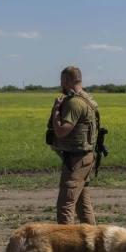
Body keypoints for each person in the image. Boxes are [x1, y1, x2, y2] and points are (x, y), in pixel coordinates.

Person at [48, 66, 98, 225]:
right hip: (85, 158)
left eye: (62, 80)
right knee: (83, 206)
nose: (61, 83)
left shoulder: (75, 103)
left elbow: (62, 131)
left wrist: (57, 110)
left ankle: (65, 246)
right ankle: (92, 244)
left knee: (65, 205)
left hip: (76, 161)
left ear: (68, 80)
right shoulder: (86, 98)